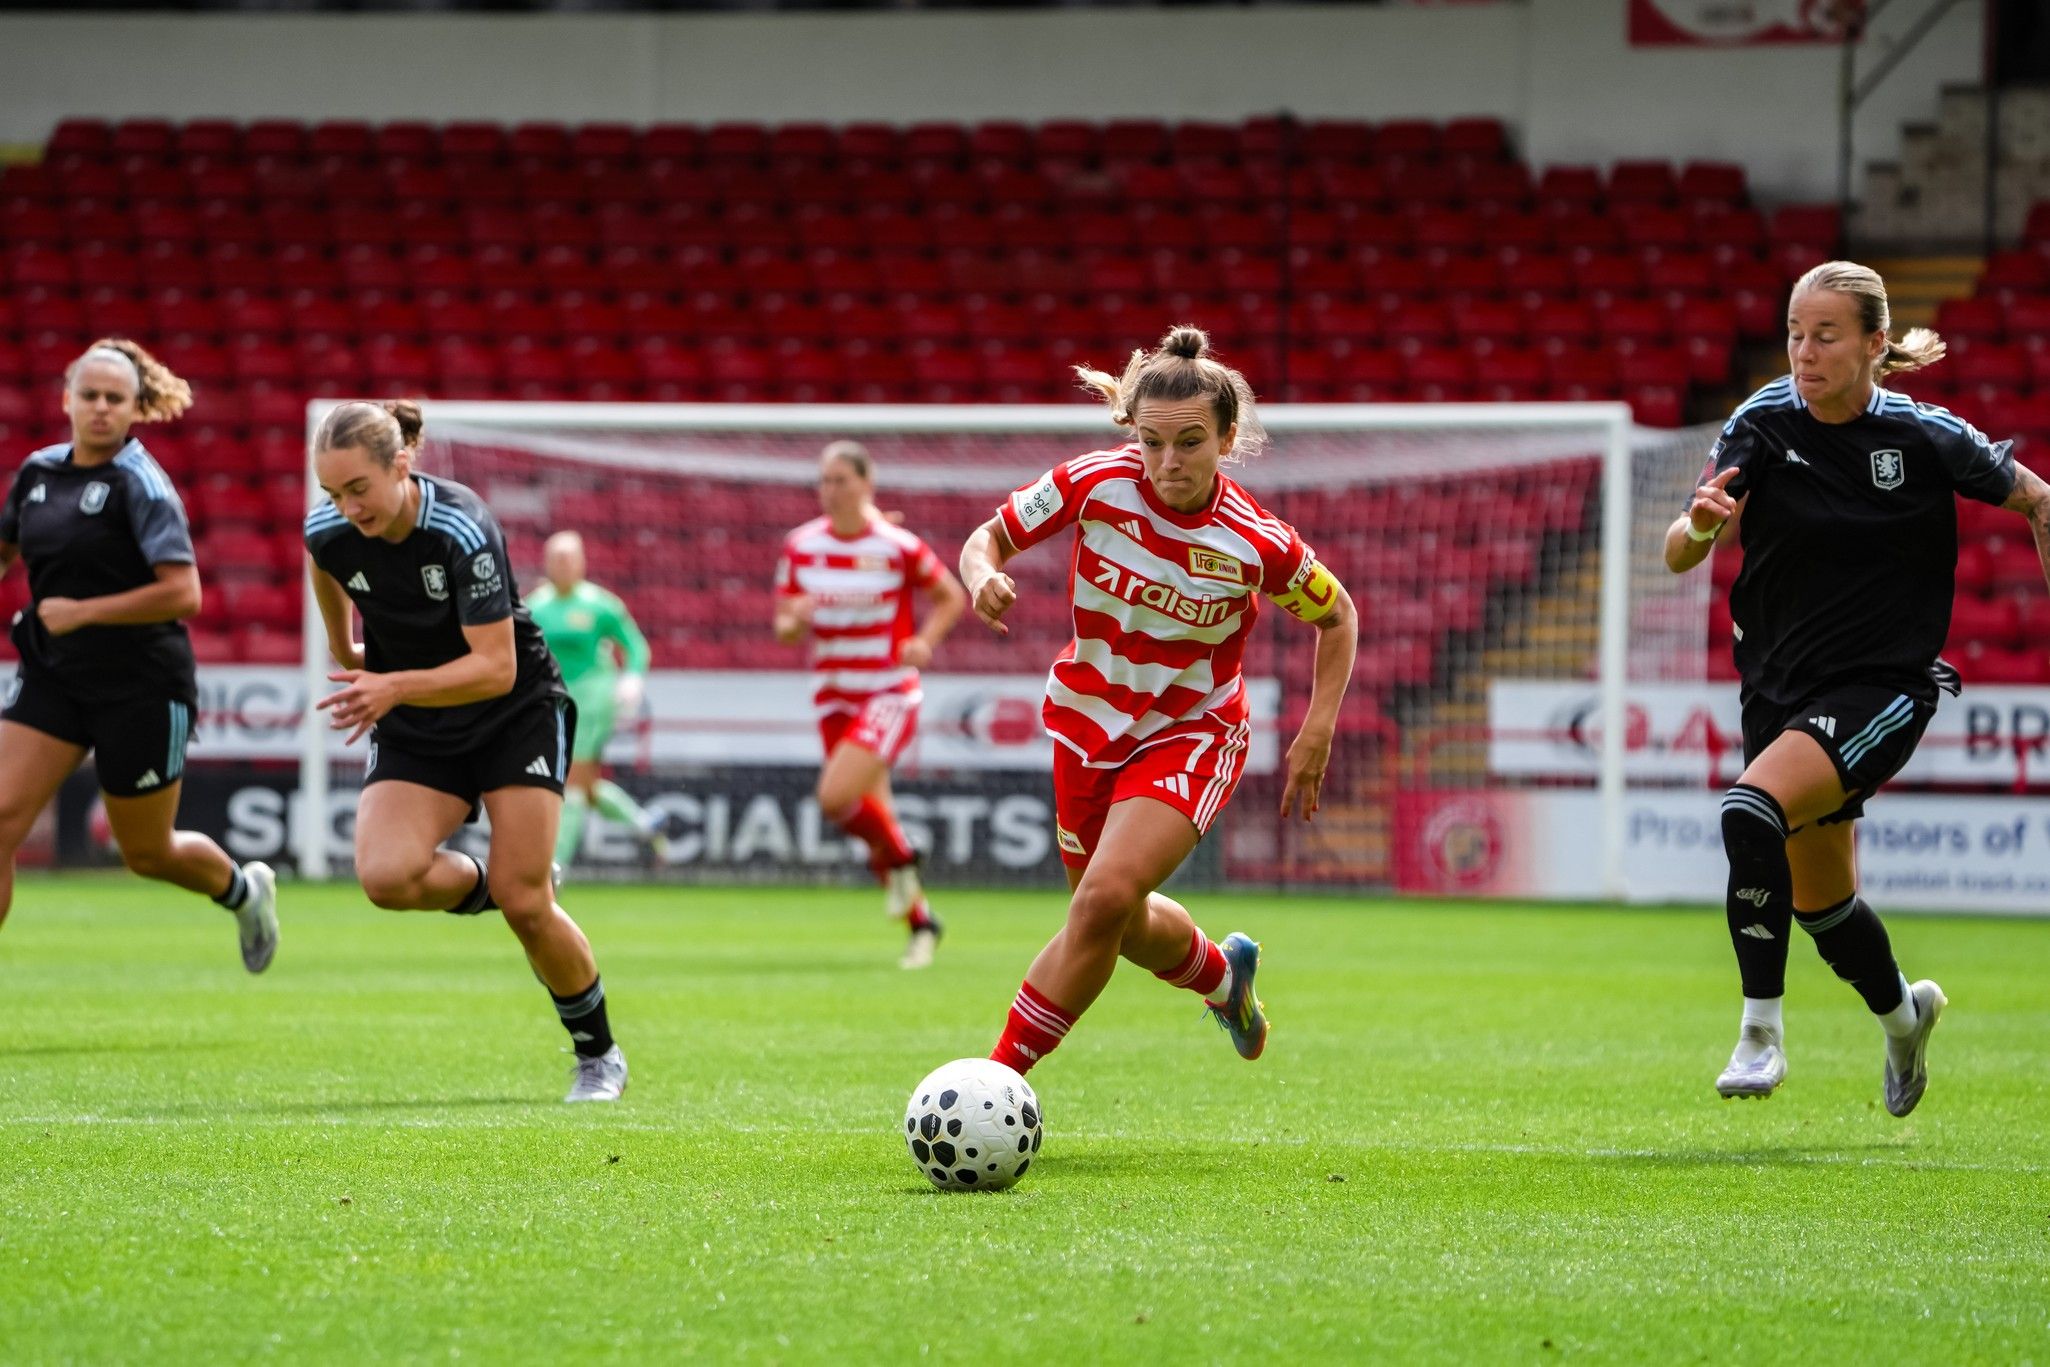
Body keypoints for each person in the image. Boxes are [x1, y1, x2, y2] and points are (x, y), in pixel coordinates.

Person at [1666, 259, 2049, 1115]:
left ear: (1875, 345)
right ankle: (1905, 1017)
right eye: (1796, 333)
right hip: (1778, 688)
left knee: (1746, 809)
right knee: (1824, 904)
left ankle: (1759, 1032)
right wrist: (1695, 528)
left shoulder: (1926, 436)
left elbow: (2038, 499)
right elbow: (1678, 551)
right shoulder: (1760, 422)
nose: (1804, 352)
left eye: (1826, 336)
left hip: (1883, 688)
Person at [958, 326, 1358, 1075]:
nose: (1169, 462)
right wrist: (982, 576)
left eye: (1191, 442)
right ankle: (1222, 977)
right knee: (1115, 918)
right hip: (1085, 726)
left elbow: (1338, 615)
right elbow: (987, 538)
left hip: (1193, 733)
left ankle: (995, 1083)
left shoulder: (1256, 542)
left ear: (1227, 439)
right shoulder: (1092, 483)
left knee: (1101, 899)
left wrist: (1318, 727)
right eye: (1153, 442)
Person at [305, 400, 626, 1103]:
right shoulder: (328, 528)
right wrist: (344, 647)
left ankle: (598, 1053)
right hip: (420, 718)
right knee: (386, 876)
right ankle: (502, 879)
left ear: (401, 464)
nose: (345, 506)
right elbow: (323, 561)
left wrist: (388, 683)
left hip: (514, 714)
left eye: (358, 487)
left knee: (526, 905)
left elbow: (495, 668)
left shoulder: (461, 525)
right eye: (332, 492)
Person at [0, 340, 277, 968]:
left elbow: (184, 593)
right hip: (55, 675)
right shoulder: (38, 474)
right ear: (66, 399)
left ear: (134, 408)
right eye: (89, 396)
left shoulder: (142, 485)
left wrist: (82, 612)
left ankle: (244, 890)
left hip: (141, 687)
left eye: (114, 399)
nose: (100, 408)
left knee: (147, 853)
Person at [773, 440, 968, 970]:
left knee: (836, 799)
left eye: (839, 479)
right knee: (874, 815)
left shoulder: (896, 545)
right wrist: (795, 620)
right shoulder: (801, 545)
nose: (829, 489)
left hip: (887, 691)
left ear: (866, 482)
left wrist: (923, 642)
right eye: (823, 480)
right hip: (833, 697)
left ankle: (905, 855)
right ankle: (922, 923)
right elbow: (785, 623)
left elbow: (951, 596)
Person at [527, 530, 672, 872]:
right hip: (552, 702)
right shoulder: (534, 606)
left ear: (581, 563)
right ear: (546, 563)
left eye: (569, 558)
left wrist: (633, 678)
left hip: (592, 700)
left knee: (571, 782)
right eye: (556, 559)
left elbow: (635, 645)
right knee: (584, 786)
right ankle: (643, 823)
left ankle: (554, 866)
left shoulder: (600, 604)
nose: (563, 565)